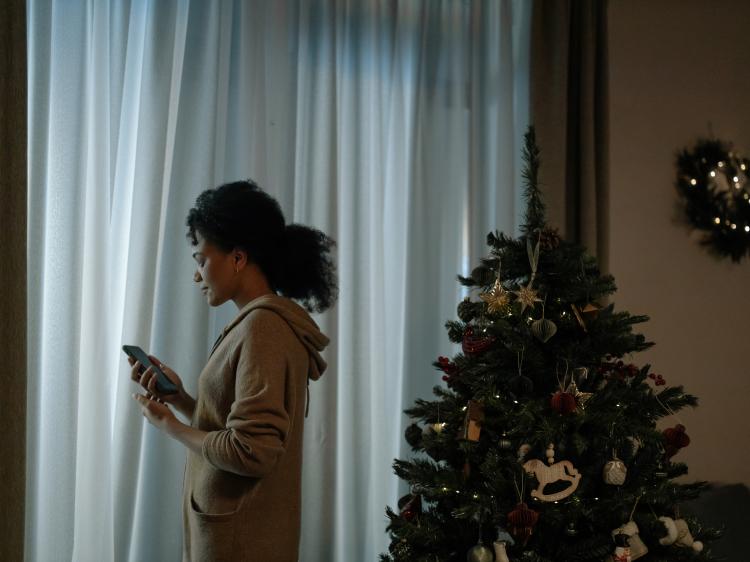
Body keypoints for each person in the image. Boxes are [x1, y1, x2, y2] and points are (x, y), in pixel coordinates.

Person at [127, 179, 337, 561]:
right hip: (242, 534)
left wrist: (168, 426)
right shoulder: (257, 325)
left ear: (237, 258)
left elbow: (250, 451)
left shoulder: (263, 329)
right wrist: (182, 401)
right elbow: (237, 428)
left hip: (241, 543)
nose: (196, 276)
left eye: (201, 260)